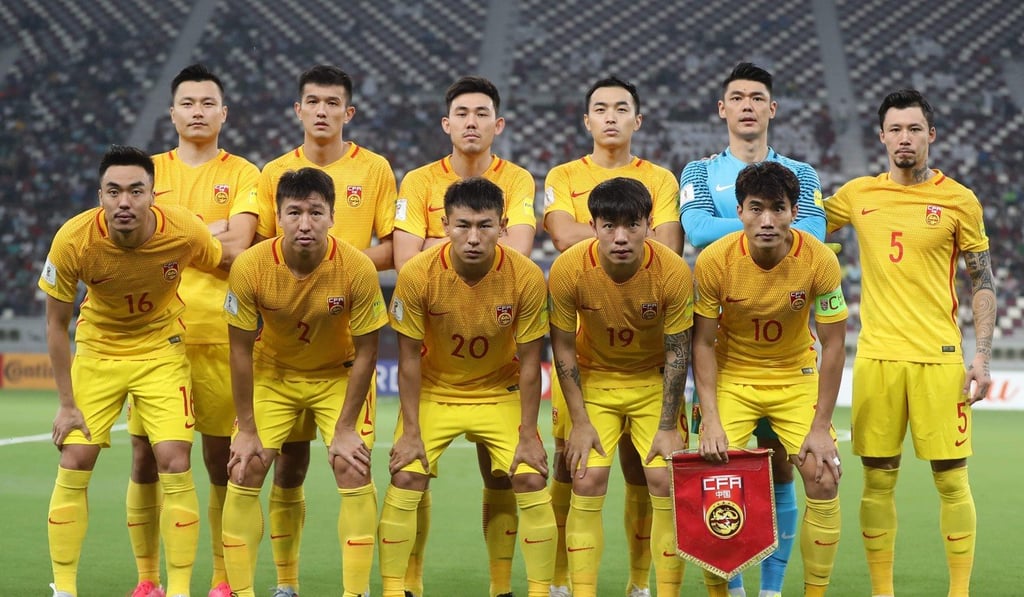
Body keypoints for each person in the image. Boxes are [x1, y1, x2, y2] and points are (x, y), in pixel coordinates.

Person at [824, 89, 994, 597]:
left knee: (951, 478)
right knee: (877, 479)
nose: (904, 138)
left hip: (940, 359)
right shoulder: (857, 194)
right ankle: (884, 593)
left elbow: (982, 280)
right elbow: (796, 222)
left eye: (914, 129)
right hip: (875, 357)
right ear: (881, 137)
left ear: (931, 136)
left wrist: (980, 356)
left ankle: (958, 592)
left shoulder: (960, 200)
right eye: (895, 129)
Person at [41, 145, 231, 597]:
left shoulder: (183, 228)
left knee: (174, 460)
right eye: (113, 192)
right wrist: (66, 405)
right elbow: (55, 322)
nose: (124, 202)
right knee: (76, 457)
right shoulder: (73, 239)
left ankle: (179, 589)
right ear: (100, 196)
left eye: (134, 191)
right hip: (99, 352)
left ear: (152, 195)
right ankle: (64, 589)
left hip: (161, 352)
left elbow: (223, 263)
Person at [679, 62, 827, 597]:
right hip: (726, 354)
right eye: (736, 97)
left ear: (772, 109)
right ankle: (732, 586)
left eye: (756, 97)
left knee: (786, 473)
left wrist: (750, 223)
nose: (746, 105)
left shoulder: (803, 173)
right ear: (722, 109)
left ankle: (772, 588)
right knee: (725, 476)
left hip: (789, 353)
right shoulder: (696, 171)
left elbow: (813, 229)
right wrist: (768, 224)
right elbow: (694, 232)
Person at [254, 64, 398, 597]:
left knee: (351, 464)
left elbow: (395, 248)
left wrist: (343, 263)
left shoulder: (376, 169)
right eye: (311, 101)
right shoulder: (272, 172)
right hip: (282, 348)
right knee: (287, 467)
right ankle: (285, 585)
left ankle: (355, 589)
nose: (321, 110)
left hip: (344, 341)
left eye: (332, 102)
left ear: (347, 112)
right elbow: (258, 252)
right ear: (298, 110)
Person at [392, 75, 536, 597]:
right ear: (446, 124)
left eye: (482, 114)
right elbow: (406, 264)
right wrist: (473, 239)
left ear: (497, 125)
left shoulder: (517, 180)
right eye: (462, 113)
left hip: (495, 365)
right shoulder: (417, 181)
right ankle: (407, 585)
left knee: (503, 476)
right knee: (412, 472)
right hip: (434, 366)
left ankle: (502, 588)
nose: (471, 122)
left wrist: (449, 236)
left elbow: (514, 254)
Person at [378, 177, 556, 597]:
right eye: (462, 225)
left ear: (503, 226)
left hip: (499, 391)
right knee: (406, 474)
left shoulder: (526, 276)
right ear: (444, 224)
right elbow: (407, 358)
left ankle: (518, 589)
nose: (473, 237)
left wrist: (529, 436)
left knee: (529, 476)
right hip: (435, 391)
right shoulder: (418, 274)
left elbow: (532, 364)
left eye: (484, 225)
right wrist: (410, 431)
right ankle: (399, 588)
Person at [123, 63, 260, 597]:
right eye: (188, 102)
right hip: (156, 338)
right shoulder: (146, 172)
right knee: (146, 458)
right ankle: (148, 579)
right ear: (172, 112)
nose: (198, 111)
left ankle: (223, 581)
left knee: (219, 461)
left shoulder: (246, 174)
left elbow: (240, 252)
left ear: (222, 114)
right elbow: (134, 246)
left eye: (208, 103)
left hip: (223, 335)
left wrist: (173, 230)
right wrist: (212, 232)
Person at [543, 76, 682, 597]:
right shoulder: (562, 173)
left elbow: (666, 244)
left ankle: (641, 583)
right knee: (572, 467)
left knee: (644, 473)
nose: (610, 117)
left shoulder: (661, 178)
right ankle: (562, 579)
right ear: (586, 120)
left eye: (621, 108)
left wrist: (602, 232)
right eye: (599, 108)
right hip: (588, 356)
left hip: (645, 364)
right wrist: (621, 234)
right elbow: (558, 237)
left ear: (637, 120)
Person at [221, 167, 388, 597]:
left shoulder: (357, 267)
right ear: (277, 217)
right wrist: (246, 429)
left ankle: (356, 592)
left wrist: (347, 429)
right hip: (274, 375)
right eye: (294, 212)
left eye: (316, 212)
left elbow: (369, 350)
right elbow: (239, 350)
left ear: (332, 215)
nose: (305, 223)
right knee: (246, 465)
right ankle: (271, 588)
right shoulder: (251, 267)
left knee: (352, 466)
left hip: (339, 375)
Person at [693, 161, 846, 597]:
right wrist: (711, 421)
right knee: (711, 479)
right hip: (733, 377)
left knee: (823, 475)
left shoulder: (819, 261)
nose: (766, 221)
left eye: (777, 209)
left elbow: (833, 346)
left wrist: (820, 427)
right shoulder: (714, 261)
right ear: (739, 211)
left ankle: (793, 592)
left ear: (794, 211)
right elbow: (702, 344)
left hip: (794, 377)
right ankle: (730, 591)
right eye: (755, 208)